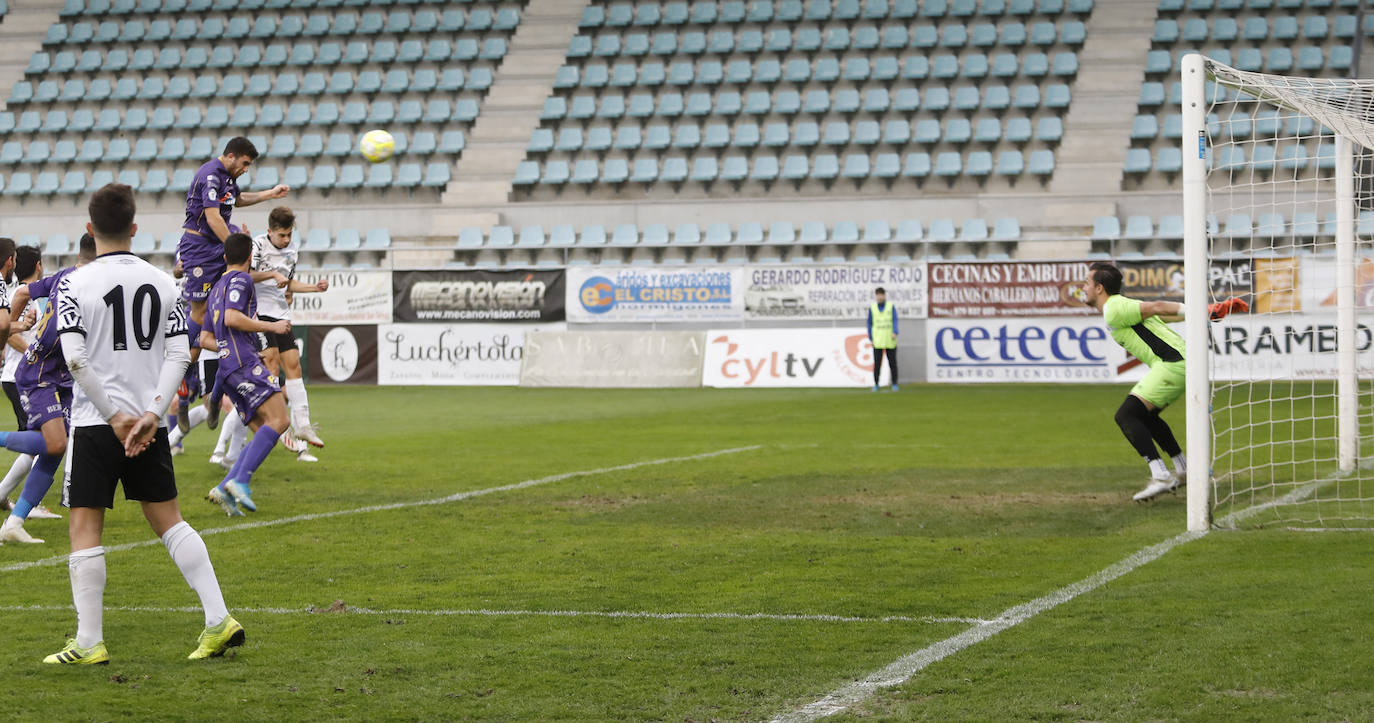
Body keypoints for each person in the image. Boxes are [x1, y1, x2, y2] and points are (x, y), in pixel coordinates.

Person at [46, 183, 242, 664]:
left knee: (85, 528)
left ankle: (89, 642)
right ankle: (218, 619)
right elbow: (180, 353)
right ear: (135, 228)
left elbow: (74, 361)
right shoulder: (165, 282)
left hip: (98, 423)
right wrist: (152, 415)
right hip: (148, 425)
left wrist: (115, 418)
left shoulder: (73, 282)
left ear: (90, 230)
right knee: (169, 521)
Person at [1078, 261, 1248, 502]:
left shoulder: (1114, 308)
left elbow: (1157, 305)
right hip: (1181, 364)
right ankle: (1184, 469)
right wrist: (1208, 310)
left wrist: (1202, 310)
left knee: (1126, 416)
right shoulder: (1123, 307)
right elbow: (1162, 313)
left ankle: (1160, 475)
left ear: (1099, 288)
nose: (1082, 287)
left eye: (1087, 283)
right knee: (1147, 416)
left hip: (1173, 364)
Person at [176, 138, 288, 422]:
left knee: (229, 299)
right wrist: (233, 248)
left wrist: (269, 194)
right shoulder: (211, 175)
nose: (246, 169)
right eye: (245, 164)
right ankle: (180, 379)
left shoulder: (226, 179)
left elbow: (237, 199)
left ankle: (216, 394)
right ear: (231, 156)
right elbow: (213, 218)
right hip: (201, 248)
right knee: (200, 314)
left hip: (216, 247)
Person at [0, 236, 97, 543]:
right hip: (40, 369)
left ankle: (14, 523)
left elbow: (25, 291)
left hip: (62, 376)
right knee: (55, 444)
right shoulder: (92, 281)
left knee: (57, 447)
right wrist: (10, 330)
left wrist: (12, 324)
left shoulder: (64, 275)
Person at [202, 233, 292, 516]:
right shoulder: (241, 280)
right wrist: (272, 327)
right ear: (250, 258)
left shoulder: (216, 288)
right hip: (243, 364)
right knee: (280, 419)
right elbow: (231, 318)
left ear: (225, 257)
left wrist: (228, 347)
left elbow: (205, 338)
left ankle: (225, 487)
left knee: (265, 430)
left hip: (228, 369)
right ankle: (240, 480)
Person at [250, 206, 327, 461]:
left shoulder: (293, 249)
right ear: (270, 231)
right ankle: (277, 422)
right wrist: (271, 274)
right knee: (271, 363)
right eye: (281, 235)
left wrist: (313, 288)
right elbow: (245, 275)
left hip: (281, 312)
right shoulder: (258, 245)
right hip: (258, 312)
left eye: (289, 235)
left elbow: (288, 282)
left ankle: (303, 424)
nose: (286, 240)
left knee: (293, 365)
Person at [867, 287, 898, 392]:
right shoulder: (873, 308)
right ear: (876, 296)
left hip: (890, 339)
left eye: (881, 295)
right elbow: (869, 323)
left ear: (884, 295)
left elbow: (895, 320)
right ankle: (876, 384)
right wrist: (871, 337)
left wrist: (895, 331)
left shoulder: (890, 306)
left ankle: (894, 383)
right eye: (878, 295)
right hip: (878, 340)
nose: (880, 297)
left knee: (892, 363)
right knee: (877, 364)